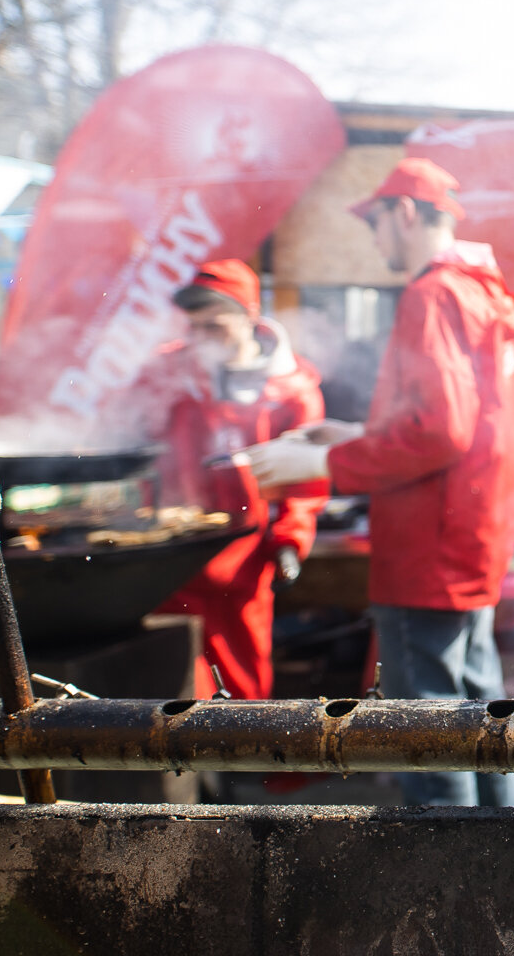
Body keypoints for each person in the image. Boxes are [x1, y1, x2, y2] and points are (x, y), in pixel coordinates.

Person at [245, 157, 514, 807]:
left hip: (427, 549)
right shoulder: (479, 290)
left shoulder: (432, 294)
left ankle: (447, 869)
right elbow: (459, 422)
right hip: (472, 538)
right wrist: (348, 435)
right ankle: (505, 852)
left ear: (405, 212)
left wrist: (322, 466)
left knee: (428, 729)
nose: (374, 241)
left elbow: (439, 432)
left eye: (376, 223)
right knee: (483, 713)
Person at [146, 259, 326, 701]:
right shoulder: (167, 371)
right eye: (195, 328)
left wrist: (289, 542)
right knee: (178, 682)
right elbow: (129, 429)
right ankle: (192, 770)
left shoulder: (291, 390)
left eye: (215, 327)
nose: (202, 339)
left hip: (245, 559)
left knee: (243, 677)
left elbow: (305, 486)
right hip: (172, 555)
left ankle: (247, 766)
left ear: (249, 316)